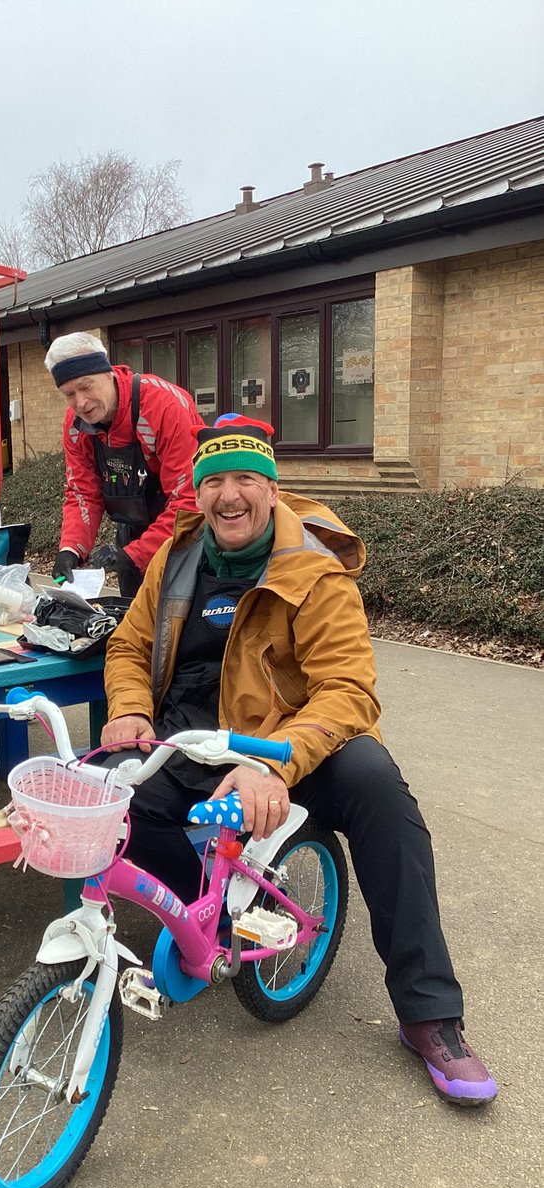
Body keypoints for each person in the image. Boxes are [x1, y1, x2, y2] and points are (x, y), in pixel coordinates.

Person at [101, 413, 497, 1106]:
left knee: (380, 794)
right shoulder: (178, 555)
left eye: (246, 480)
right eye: (214, 480)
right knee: (109, 808)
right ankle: (217, 911)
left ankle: (430, 1013)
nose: (229, 496)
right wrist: (130, 706)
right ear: (196, 492)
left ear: (272, 489)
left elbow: (348, 690)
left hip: (290, 739)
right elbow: (129, 647)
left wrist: (272, 763)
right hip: (194, 734)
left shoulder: (313, 563)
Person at [45, 332, 204, 597]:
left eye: (86, 386)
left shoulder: (164, 407)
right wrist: (70, 549)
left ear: (108, 374)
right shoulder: (75, 426)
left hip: (186, 531)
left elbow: (189, 500)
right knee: (133, 620)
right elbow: (83, 493)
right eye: (69, 394)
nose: (80, 403)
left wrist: (136, 554)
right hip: (133, 526)